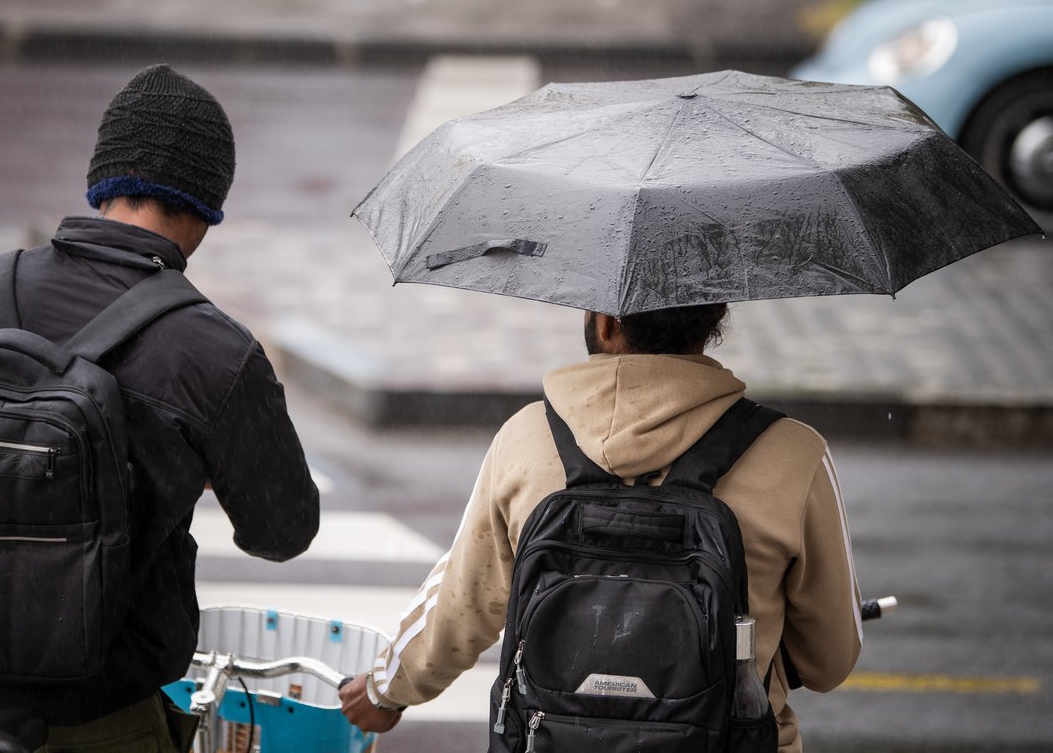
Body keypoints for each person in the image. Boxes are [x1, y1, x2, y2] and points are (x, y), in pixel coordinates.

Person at [0, 64, 321, 751]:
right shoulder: (213, 349)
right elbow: (282, 530)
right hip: (99, 717)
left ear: (102, 179)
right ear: (206, 206)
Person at [340, 304, 862, 752]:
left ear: (606, 324)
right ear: (714, 319)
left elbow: (461, 603)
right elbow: (828, 662)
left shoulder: (526, 440)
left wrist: (386, 690)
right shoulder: (794, 454)